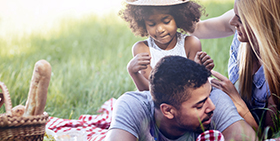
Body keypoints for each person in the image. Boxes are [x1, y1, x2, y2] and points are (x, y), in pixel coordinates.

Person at [194, 0, 280, 133]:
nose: (233, 22)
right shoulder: (244, 35)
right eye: (234, 14)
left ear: (262, 25)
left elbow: (265, 135)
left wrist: (236, 101)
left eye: (240, 19)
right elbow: (197, 28)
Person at [104, 56, 256, 141]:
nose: (212, 107)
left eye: (208, 97)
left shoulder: (215, 100)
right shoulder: (133, 106)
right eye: (199, 106)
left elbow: (248, 139)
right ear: (168, 111)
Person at [120, 0, 214, 91]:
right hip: (155, 101)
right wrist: (132, 72)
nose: (160, 29)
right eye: (151, 24)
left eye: (166, 22)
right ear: (143, 24)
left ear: (179, 18)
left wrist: (202, 70)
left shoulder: (190, 43)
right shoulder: (142, 48)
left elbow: (192, 87)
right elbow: (147, 90)